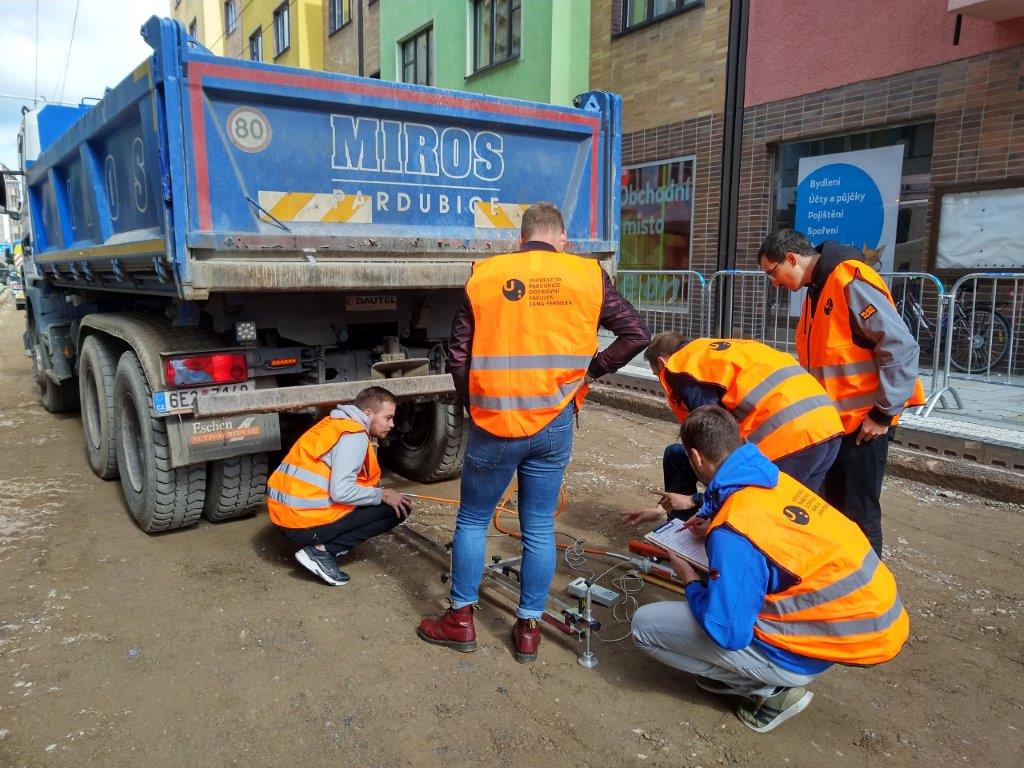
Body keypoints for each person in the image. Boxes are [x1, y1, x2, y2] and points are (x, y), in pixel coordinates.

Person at [417, 201, 650, 663]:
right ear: (562, 239)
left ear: (519, 239)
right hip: (555, 420)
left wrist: (471, 404)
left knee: (472, 520)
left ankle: (460, 620)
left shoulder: (485, 275)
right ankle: (528, 629)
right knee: (539, 526)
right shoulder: (588, 275)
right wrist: (590, 373)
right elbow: (636, 334)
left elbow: (458, 355)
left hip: (495, 420)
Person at [631, 406, 909, 733]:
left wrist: (689, 577)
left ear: (695, 457)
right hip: (868, 624)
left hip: (824, 644)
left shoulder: (734, 530)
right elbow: (738, 502)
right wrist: (709, 514)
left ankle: (767, 689)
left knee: (644, 626)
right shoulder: (774, 480)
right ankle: (762, 675)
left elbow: (728, 631)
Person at [756, 230, 926, 556]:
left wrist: (883, 413)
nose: (773, 283)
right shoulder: (817, 289)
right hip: (836, 425)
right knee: (832, 511)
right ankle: (839, 587)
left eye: (772, 273)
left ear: (791, 258)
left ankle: (867, 597)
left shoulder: (848, 280)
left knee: (858, 514)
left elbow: (900, 347)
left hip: (864, 426)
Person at [622, 332, 843, 528]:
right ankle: (681, 525)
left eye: (656, 374)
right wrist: (667, 507)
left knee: (765, 512)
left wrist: (704, 506)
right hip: (827, 426)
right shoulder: (713, 352)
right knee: (795, 510)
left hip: (790, 437)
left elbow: (710, 436)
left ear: (662, 362)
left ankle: (719, 551)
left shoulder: (681, 368)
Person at [267, 386, 412, 586]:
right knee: (397, 509)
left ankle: (319, 545)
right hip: (301, 524)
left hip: (284, 515)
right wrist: (382, 495)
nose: (392, 424)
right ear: (368, 413)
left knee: (380, 500)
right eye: (388, 418)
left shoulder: (334, 423)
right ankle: (321, 552)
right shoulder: (353, 436)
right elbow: (341, 491)